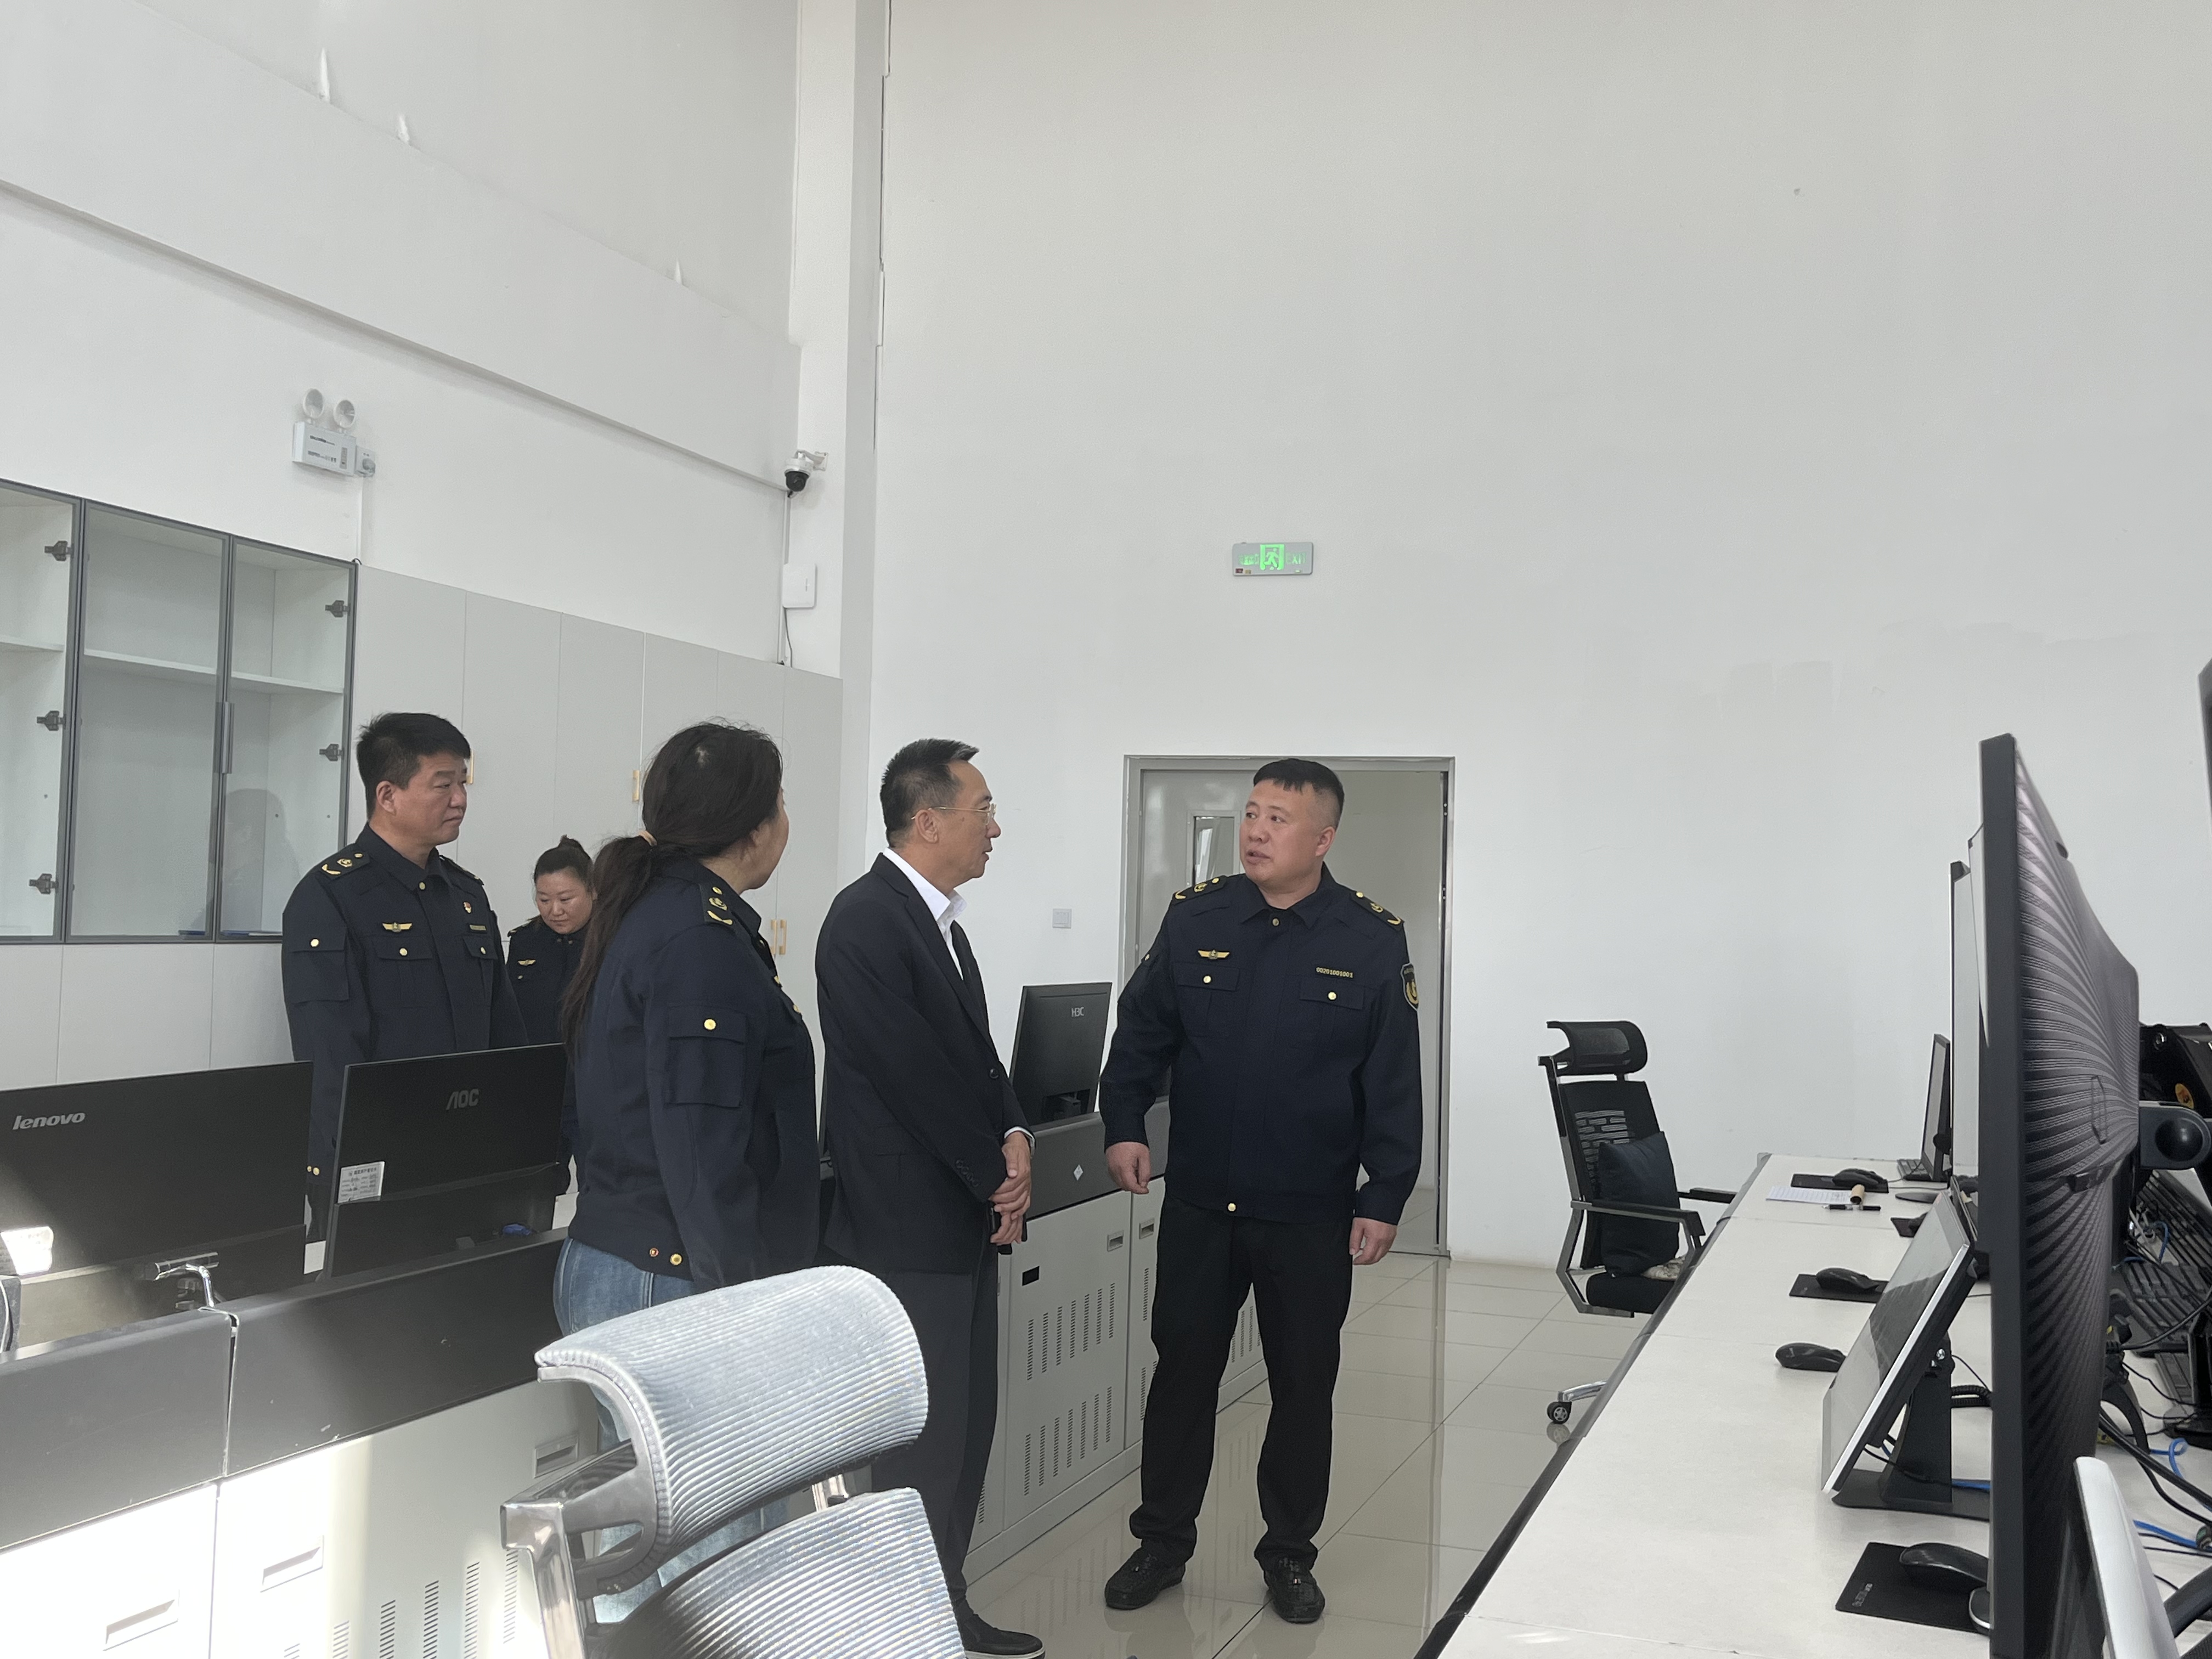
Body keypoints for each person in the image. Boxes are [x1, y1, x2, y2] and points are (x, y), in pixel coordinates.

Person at [1095, 759, 1422, 1627]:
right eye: (1251, 813)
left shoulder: (1370, 940)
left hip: (1309, 1213)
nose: (1256, 831)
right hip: (1204, 1203)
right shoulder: (1196, 918)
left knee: (1302, 1385)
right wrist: (1123, 1122)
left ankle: (1288, 1554)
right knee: (1182, 1376)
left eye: (1278, 818)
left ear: (1323, 838)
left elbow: (1393, 1082)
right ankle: (1162, 1542)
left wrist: (1385, 1195)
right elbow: (1142, 1034)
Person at [816, 738, 1042, 1659]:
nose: (996, 828)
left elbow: (977, 1061)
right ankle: (899, 1620)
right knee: (921, 1440)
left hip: (957, 1222)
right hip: (904, 1229)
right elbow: (910, 1073)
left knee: (964, 1427)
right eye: (983, 809)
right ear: (928, 819)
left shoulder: (942, 924)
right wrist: (995, 1173)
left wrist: (1017, 1131)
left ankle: (944, 1603)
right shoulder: (866, 920)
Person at [556, 720, 817, 1333]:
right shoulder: (698, 939)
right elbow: (702, 1149)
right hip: (670, 1278)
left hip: (641, 1265)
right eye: (781, 805)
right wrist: (742, 1305)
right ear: (755, 828)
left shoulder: (658, 913)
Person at [281, 712, 527, 1227]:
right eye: (443, 784)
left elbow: (506, 1035)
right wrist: (344, 1178)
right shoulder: (330, 897)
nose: (460, 799)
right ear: (388, 795)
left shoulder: (465, 895)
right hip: (383, 1166)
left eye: (463, 783)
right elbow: (330, 1058)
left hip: (472, 1158)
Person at [509, 836, 594, 1169]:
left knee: (599, 1186)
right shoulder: (525, 942)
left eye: (566, 899)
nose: (554, 911)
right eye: (543, 899)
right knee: (532, 1189)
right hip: (537, 1095)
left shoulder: (612, 941)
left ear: (593, 891)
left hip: (593, 1096)